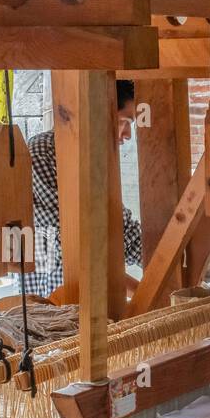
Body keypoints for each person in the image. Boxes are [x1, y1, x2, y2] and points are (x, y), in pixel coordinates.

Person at [22, 79, 144, 298]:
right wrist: (143, 292)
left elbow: (122, 228)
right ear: (100, 113)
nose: (127, 135)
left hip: (93, 297)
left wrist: (176, 267)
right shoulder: (43, 152)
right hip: (56, 300)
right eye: (124, 122)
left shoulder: (97, 157)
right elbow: (71, 244)